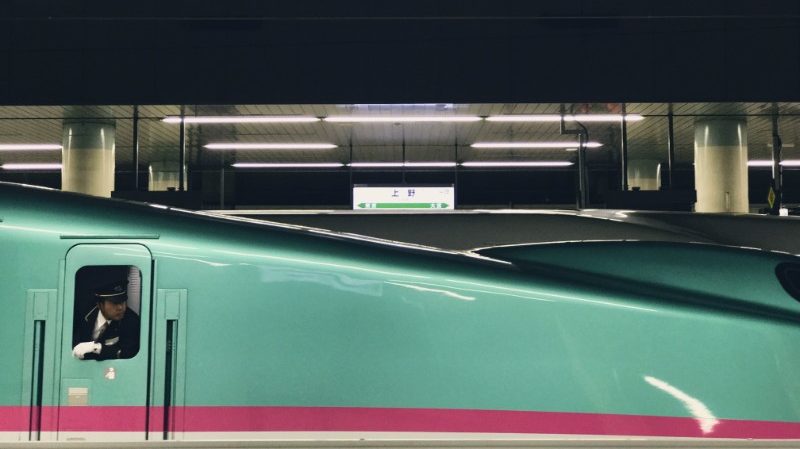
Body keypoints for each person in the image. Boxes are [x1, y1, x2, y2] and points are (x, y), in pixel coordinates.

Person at [72, 280, 140, 360]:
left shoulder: (131, 320)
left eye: (123, 302)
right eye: (114, 303)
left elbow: (128, 353)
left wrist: (96, 347)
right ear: (99, 305)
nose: (120, 308)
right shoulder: (83, 314)